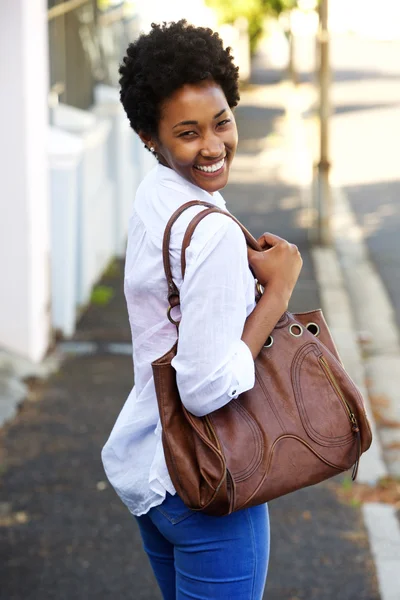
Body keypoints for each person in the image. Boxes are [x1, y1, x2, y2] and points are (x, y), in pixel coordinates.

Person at [102, 20, 302, 600]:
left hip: (154, 473)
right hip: (211, 481)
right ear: (149, 135)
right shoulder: (210, 232)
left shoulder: (156, 196)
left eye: (222, 122)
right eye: (187, 133)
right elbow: (205, 387)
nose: (213, 146)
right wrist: (279, 294)